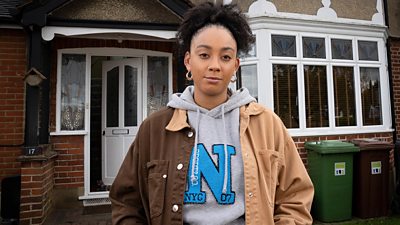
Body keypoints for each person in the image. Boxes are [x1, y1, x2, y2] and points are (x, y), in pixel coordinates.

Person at [109, 2, 314, 225]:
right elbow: (127, 202)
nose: (215, 65)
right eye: (204, 55)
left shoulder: (267, 124)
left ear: (235, 65)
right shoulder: (155, 128)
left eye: (225, 57)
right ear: (188, 61)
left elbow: (296, 196)